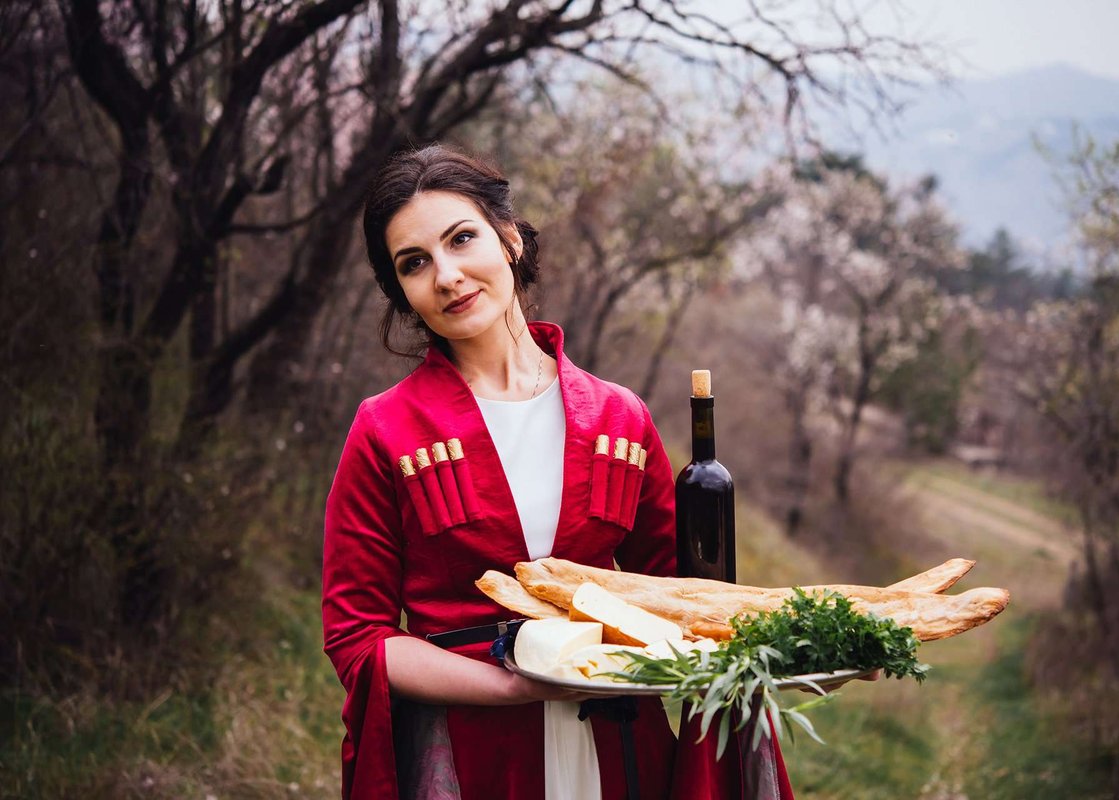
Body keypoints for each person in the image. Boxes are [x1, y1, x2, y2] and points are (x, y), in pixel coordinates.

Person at [323, 144, 795, 800]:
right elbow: (357, 637)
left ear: (509, 237)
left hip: (621, 748)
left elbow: (688, 606)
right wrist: (514, 684)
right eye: (415, 263)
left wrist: (809, 654)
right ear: (400, 290)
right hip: (469, 758)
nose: (448, 275)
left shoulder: (617, 417)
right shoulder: (385, 431)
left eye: (463, 239)